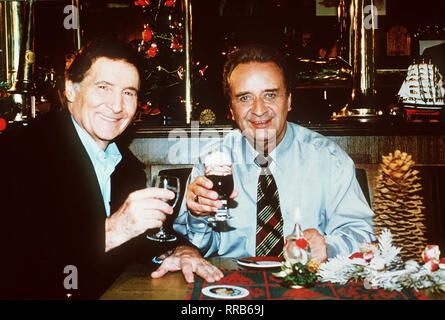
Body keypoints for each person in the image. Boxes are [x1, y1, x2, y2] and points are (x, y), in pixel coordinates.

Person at [0, 39, 222, 299]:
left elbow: (143, 240)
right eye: (104, 87)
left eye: (128, 92)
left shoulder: (126, 165)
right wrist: (117, 228)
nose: (117, 106)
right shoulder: (18, 152)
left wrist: (181, 250)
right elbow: (19, 262)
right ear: (71, 90)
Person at [174, 44, 375, 261]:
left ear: (289, 101)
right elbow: (195, 249)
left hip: (306, 284)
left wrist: (328, 247)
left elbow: (362, 234)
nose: (259, 110)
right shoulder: (211, 162)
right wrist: (198, 216)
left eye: (270, 95)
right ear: (231, 110)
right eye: (244, 98)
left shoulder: (328, 158)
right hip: (232, 285)